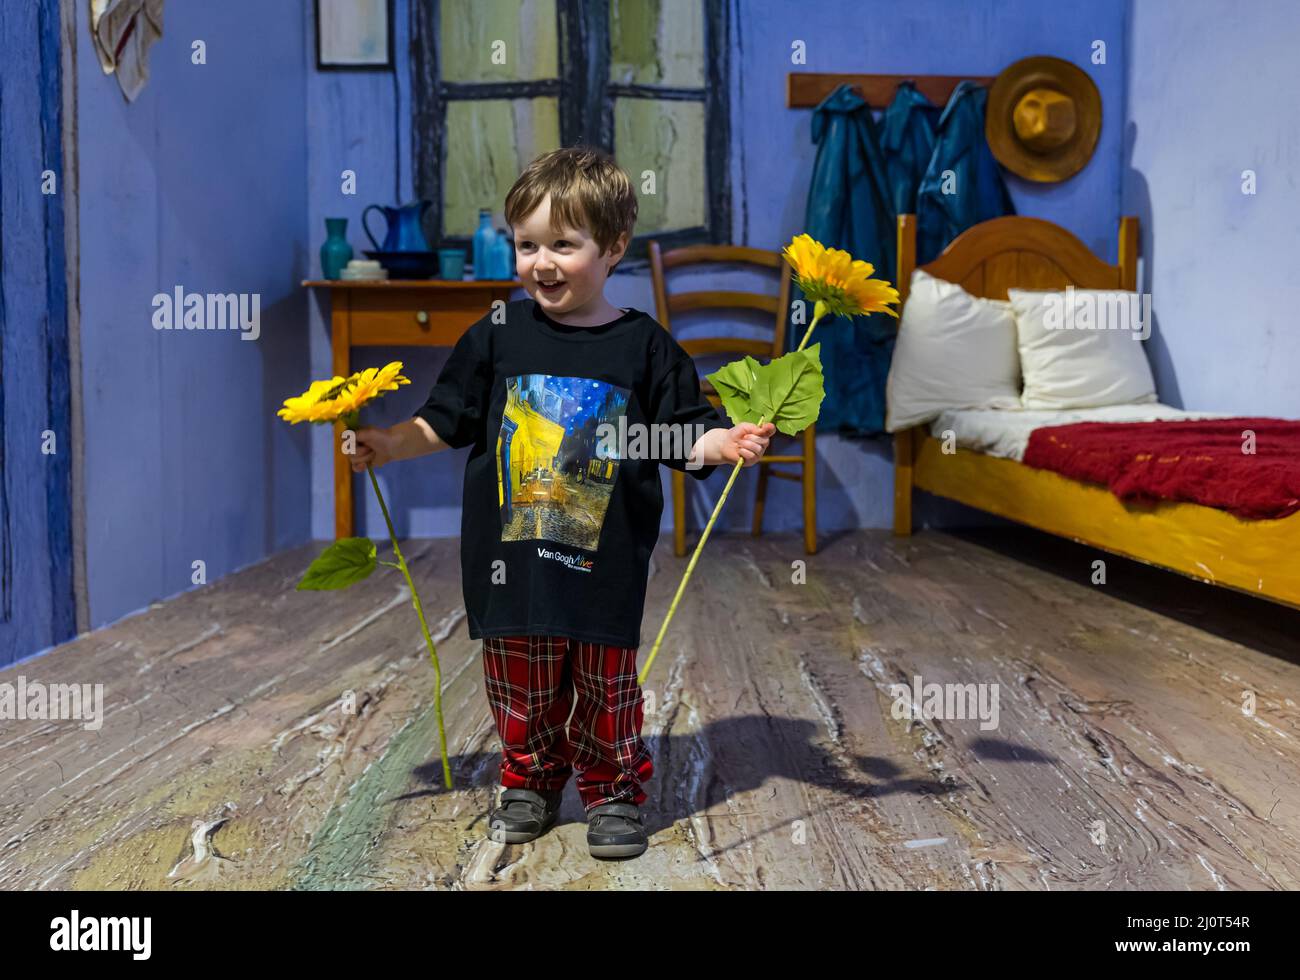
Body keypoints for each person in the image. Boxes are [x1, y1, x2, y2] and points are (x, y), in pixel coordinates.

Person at [351, 145, 775, 860]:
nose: (541, 263)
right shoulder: (497, 335)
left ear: (612, 248)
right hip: (508, 557)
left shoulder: (645, 346)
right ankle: (530, 781)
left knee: (606, 686)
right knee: (519, 683)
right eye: (527, 245)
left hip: (602, 558)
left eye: (563, 245)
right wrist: (389, 443)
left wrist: (721, 445)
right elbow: (444, 418)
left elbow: (678, 435)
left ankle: (611, 791)